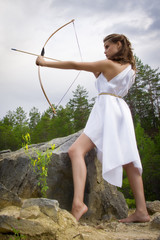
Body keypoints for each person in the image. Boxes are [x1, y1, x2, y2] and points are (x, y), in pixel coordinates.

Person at [36, 33, 150, 223]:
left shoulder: (108, 65)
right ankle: (142, 211)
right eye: (103, 47)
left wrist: (44, 62)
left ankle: (78, 204)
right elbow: (110, 82)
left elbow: (75, 65)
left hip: (106, 111)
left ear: (119, 44)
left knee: (75, 151)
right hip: (120, 111)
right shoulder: (129, 68)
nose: (104, 50)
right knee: (129, 159)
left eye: (108, 46)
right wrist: (98, 74)